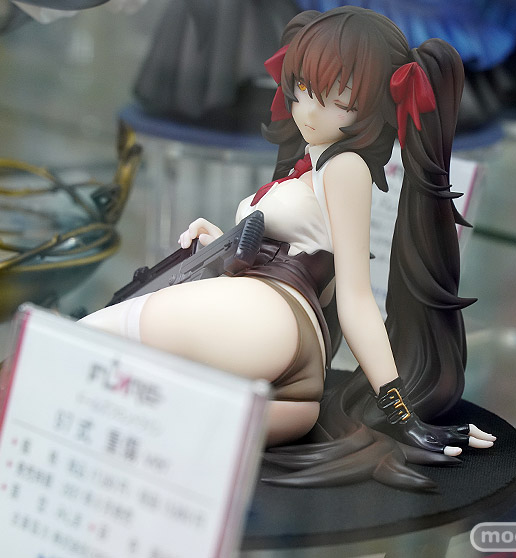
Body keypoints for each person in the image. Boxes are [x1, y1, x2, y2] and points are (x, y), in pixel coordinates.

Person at [79, 7, 494, 455]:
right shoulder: (314, 165)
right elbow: (301, 249)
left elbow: (356, 298)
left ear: (375, 106)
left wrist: (402, 415)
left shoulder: (345, 167)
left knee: (84, 343)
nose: (308, 111)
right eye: (302, 89)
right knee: (154, 421)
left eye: (338, 100)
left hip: (272, 318)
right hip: (287, 360)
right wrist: (220, 241)